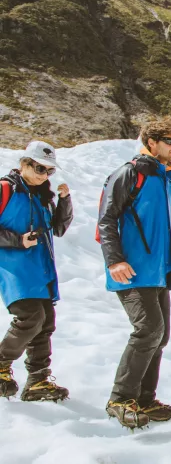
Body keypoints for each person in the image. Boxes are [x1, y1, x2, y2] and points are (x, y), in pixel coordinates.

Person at [98, 117, 171, 429]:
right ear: (151, 142)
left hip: (158, 272)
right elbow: (106, 219)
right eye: (170, 141)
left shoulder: (168, 179)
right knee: (148, 330)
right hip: (132, 271)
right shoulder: (131, 173)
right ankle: (120, 399)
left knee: (160, 336)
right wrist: (114, 260)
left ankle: (144, 399)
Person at [0, 141, 73, 402]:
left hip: (41, 269)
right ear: (24, 164)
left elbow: (59, 229)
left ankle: (38, 381)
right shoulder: (5, 189)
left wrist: (64, 202)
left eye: (49, 171)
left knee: (45, 323)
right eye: (40, 168)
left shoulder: (42, 196)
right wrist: (17, 240)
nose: (44, 175)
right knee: (30, 318)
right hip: (13, 269)